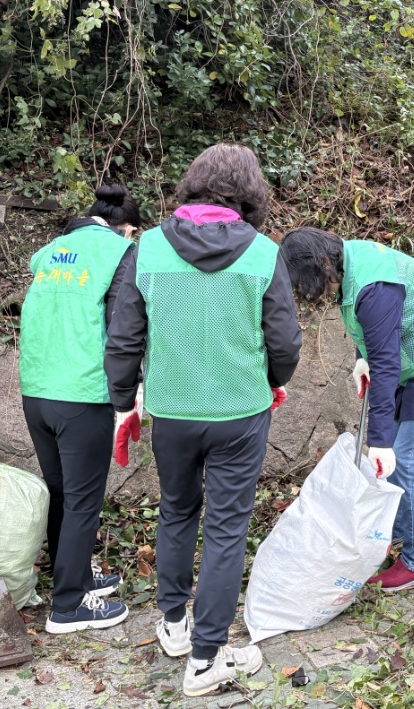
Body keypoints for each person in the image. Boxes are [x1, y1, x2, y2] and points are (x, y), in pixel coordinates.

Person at [105, 145, 302, 697]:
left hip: (171, 410)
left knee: (176, 510)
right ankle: (206, 658)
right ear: (250, 194)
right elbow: (284, 339)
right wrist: (276, 378)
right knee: (226, 528)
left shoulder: (146, 250)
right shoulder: (264, 252)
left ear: (192, 187)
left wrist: (125, 400)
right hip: (240, 411)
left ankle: (173, 625)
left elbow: (123, 340)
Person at [280, 228, 414, 592]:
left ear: (323, 264)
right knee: (391, 453)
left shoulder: (374, 286)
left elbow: (387, 364)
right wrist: (362, 360)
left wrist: (379, 441)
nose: (310, 293)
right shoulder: (350, 261)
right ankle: (393, 531)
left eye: (308, 283)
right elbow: (376, 335)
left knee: (407, 460)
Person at [20, 185, 139, 634]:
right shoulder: (119, 253)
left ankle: (74, 580)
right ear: (127, 228)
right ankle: (69, 606)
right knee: (84, 500)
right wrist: (131, 390)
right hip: (82, 391)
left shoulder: (51, 251)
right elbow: (122, 327)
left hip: (37, 390)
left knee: (62, 493)